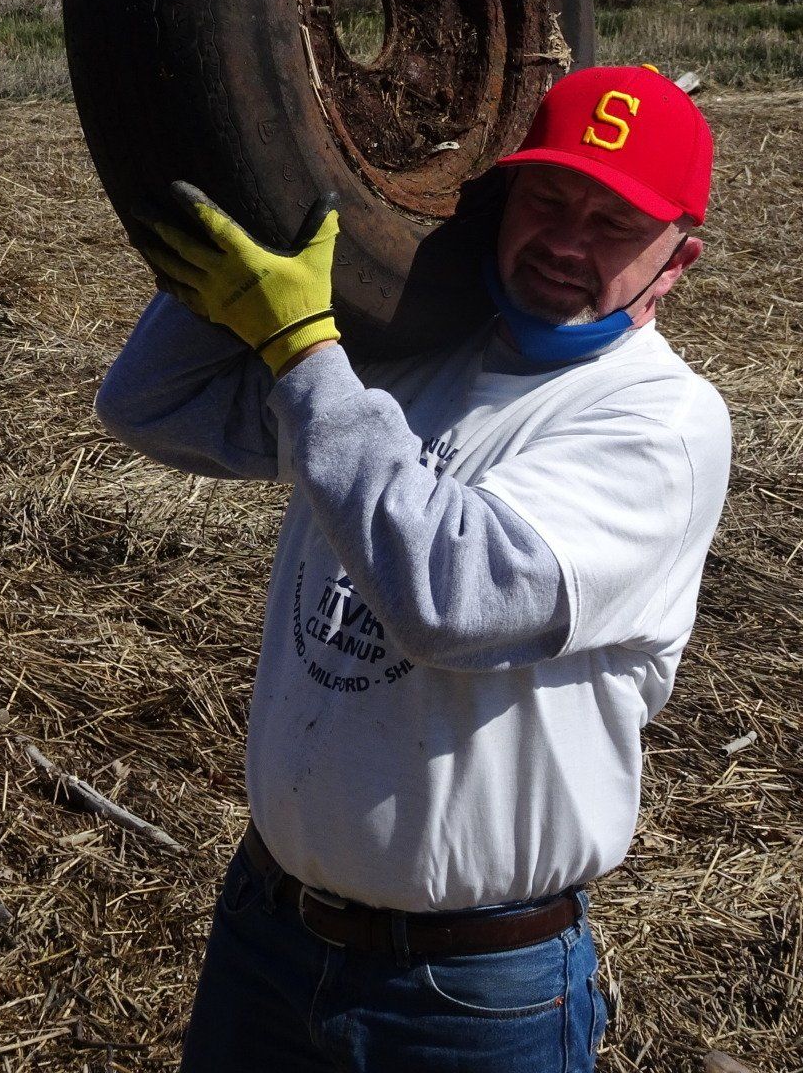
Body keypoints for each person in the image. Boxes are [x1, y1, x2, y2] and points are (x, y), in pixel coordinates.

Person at [97, 65, 731, 1072]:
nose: (568, 244)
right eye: (550, 201)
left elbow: (458, 596)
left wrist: (305, 348)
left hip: (470, 997)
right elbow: (152, 406)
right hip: (270, 935)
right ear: (499, 203)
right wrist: (271, 211)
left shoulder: (660, 423)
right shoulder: (405, 348)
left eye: (615, 224)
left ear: (677, 261)